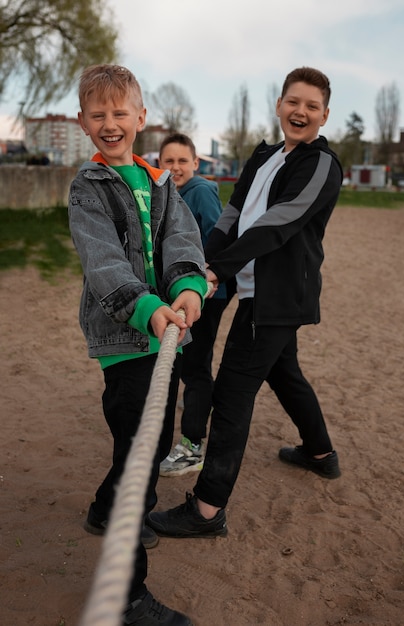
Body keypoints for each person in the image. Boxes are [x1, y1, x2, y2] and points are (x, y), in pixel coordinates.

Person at [146, 66, 343, 541]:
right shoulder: (264, 155)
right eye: (293, 101)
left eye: (312, 106)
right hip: (253, 287)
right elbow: (232, 215)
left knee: (233, 394)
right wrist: (203, 263)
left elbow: (280, 222)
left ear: (324, 115)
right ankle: (321, 454)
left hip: (277, 297)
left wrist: (218, 271)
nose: (301, 112)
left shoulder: (321, 163)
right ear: (279, 105)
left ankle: (208, 511)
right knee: (284, 371)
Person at [68, 64, 207, 626]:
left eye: (119, 112)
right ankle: (126, 597)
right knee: (141, 453)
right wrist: (148, 309)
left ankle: (106, 510)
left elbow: (180, 240)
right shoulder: (87, 187)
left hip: (167, 335)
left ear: (141, 118)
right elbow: (102, 261)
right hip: (127, 340)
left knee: (144, 445)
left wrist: (189, 287)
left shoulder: (159, 181)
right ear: (82, 122)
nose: (109, 122)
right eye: (97, 114)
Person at [157, 133, 228, 477]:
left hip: (207, 293)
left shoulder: (199, 191)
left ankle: (192, 445)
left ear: (196, 163)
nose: (176, 167)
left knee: (196, 367)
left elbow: (216, 237)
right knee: (186, 366)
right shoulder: (166, 193)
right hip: (184, 291)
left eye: (183, 161)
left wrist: (206, 280)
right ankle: (195, 411)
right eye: (168, 161)